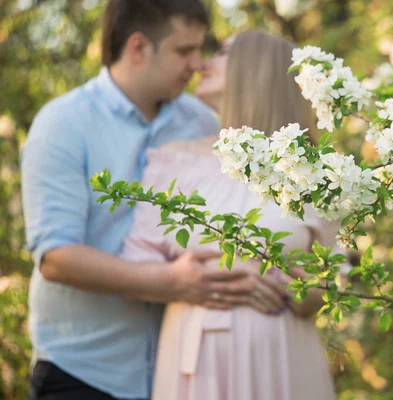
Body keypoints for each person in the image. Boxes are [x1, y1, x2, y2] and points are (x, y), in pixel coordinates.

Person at [20, 2, 287, 400]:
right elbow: (57, 258)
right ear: (139, 47)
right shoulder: (62, 124)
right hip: (84, 372)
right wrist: (173, 283)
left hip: (181, 371)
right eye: (184, 51)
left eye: (202, 49)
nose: (199, 64)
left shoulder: (204, 123)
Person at [119, 30, 345, 400]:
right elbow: (137, 260)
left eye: (222, 53)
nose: (202, 64)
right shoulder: (175, 160)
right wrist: (200, 276)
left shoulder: (316, 173)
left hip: (281, 355)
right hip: (196, 357)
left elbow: (337, 282)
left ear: (259, 68)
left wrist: (295, 289)